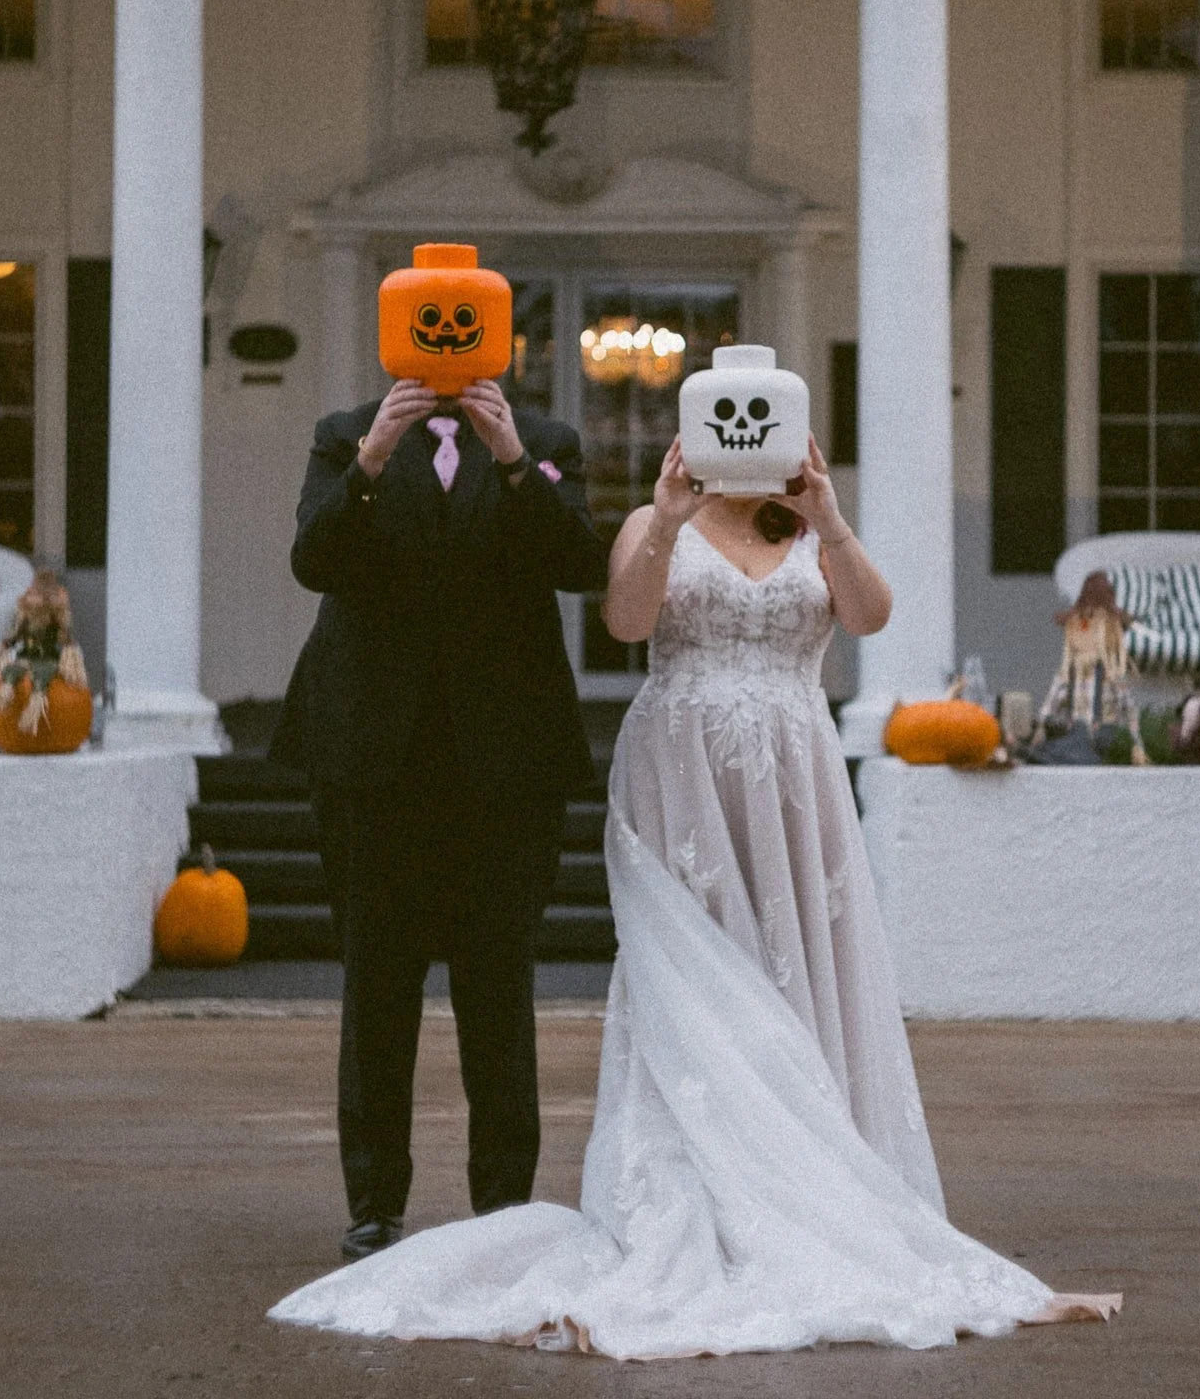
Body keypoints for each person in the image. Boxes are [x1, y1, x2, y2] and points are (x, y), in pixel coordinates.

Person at [271, 430, 1121, 1357]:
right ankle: (669, 1188)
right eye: (727, 421)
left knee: (797, 971)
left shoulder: (805, 527)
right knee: (691, 975)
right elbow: (626, 622)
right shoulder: (654, 517)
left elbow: (872, 616)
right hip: (683, 779)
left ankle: (809, 1176)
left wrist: (827, 515)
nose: (744, 439)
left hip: (794, 781)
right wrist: (669, 515)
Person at [271, 376, 607, 1263]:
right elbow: (315, 559)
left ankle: (503, 1205)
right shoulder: (345, 435)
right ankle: (375, 1204)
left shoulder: (545, 440)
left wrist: (512, 464)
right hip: (374, 757)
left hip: (507, 762)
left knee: (499, 986)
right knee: (376, 985)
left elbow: (580, 566)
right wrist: (374, 458)